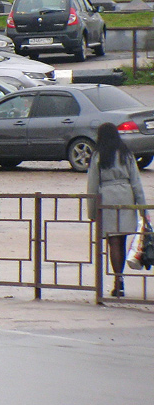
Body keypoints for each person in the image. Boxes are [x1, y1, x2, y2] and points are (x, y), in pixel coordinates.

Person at [86, 122, 146, 298]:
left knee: (113, 241)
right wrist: (143, 209)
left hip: (108, 198)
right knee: (122, 238)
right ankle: (120, 279)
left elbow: (92, 185)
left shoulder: (98, 155)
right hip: (126, 196)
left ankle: (117, 280)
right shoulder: (126, 153)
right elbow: (136, 182)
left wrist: (92, 212)